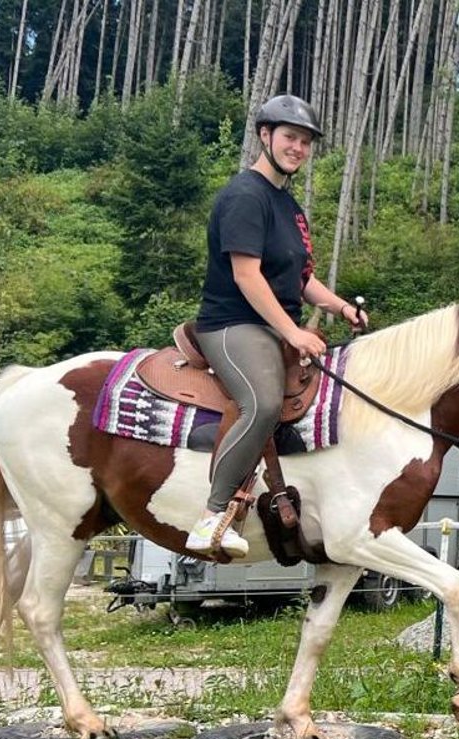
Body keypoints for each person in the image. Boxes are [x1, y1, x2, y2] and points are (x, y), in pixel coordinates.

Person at [185, 94, 368, 557]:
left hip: (272, 325)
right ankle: (212, 516)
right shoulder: (244, 196)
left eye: (306, 142)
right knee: (264, 404)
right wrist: (293, 332)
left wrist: (342, 307)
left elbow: (302, 278)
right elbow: (247, 276)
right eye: (290, 137)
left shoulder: (290, 208)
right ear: (265, 136)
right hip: (233, 324)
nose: (298, 148)